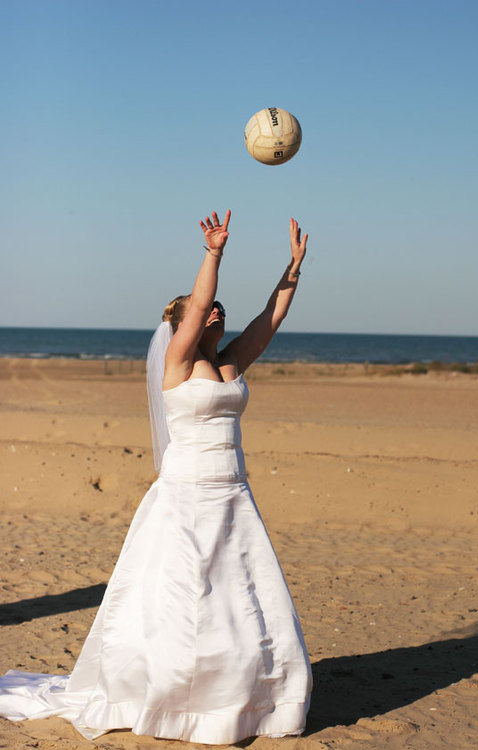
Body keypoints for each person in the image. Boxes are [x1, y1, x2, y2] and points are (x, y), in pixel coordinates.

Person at [0, 210, 312, 744]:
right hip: (186, 494)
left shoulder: (233, 362)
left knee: (239, 598)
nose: (214, 310)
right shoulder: (177, 363)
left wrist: (294, 268)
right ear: (183, 324)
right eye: (202, 308)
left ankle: (240, 695)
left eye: (216, 307)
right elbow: (193, 317)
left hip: (233, 493)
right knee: (183, 596)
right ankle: (175, 695)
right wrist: (213, 254)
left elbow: (269, 320)